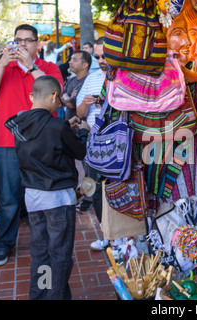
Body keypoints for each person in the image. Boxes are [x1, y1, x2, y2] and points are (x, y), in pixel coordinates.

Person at [0, 24, 64, 267]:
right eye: (19, 40)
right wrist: (2, 64)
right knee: (8, 197)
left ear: (37, 44)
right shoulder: (2, 67)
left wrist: (30, 67)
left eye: (28, 40)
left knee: (46, 194)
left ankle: (51, 242)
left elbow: (54, 95)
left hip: (43, 143)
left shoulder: (46, 68)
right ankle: (5, 243)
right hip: (8, 142)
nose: (23, 44)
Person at [4, 75, 90, 300]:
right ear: (55, 96)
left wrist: (64, 128)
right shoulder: (57, 126)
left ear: (33, 96)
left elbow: (43, 138)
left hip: (33, 197)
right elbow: (80, 151)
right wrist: (82, 131)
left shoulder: (20, 122)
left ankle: (41, 295)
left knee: (41, 253)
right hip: (58, 199)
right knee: (60, 255)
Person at [75, 37, 109, 250]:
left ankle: (128, 235)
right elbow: (79, 113)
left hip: (121, 144)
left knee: (124, 188)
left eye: (104, 56)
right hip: (95, 143)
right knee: (96, 190)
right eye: (97, 56)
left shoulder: (126, 77)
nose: (100, 60)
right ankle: (106, 233)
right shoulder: (93, 77)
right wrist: (86, 105)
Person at [62, 50, 91, 120]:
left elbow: (72, 104)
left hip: (83, 126)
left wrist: (66, 97)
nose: (69, 62)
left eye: (74, 60)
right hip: (69, 126)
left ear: (84, 65)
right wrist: (67, 98)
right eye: (71, 59)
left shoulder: (90, 81)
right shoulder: (71, 80)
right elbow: (61, 98)